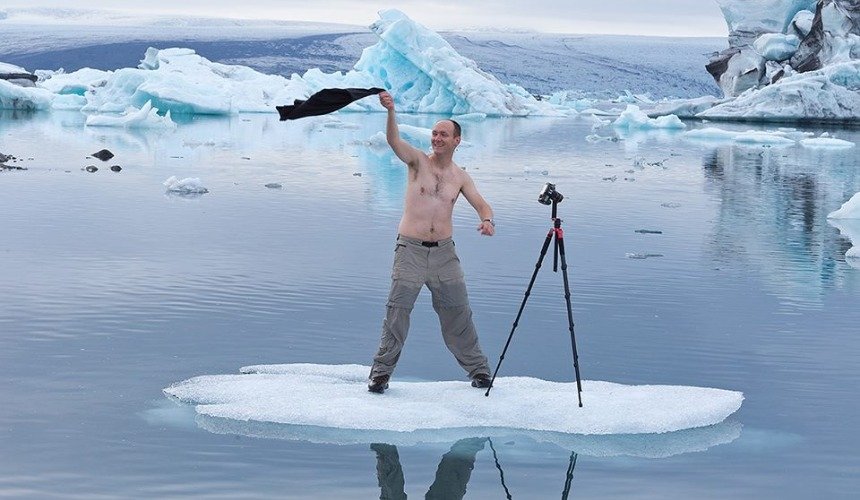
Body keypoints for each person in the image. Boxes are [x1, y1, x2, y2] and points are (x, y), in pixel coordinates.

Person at [368, 90, 495, 394]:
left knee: (458, 315)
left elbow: (481, 204)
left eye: (443, 135)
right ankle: (381, 374)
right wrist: (390, 111)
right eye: (435, 133)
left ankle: (479, 372)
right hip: (409, 251)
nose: (437, 138)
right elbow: (394, 142)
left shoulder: (460, 177)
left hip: (444, 255)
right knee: (397, 313)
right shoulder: (417, 163)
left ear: (456, 141)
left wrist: (487, 220)